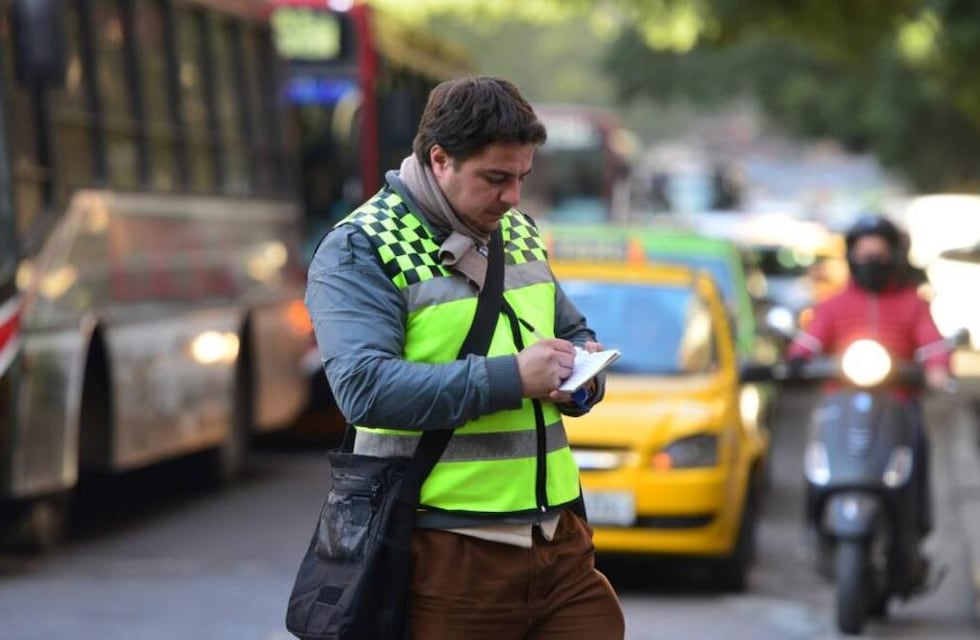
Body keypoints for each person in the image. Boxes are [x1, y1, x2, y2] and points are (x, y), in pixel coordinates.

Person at [305, 76, 625, 639]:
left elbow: (571, 329)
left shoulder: (516, 229)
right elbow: (363, 390)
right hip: (448, 549)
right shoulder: (361, 245)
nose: (513, 198)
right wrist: (512, 378)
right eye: (496, 179)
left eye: (522, 178)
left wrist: (583, 372)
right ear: (440, 159)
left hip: (559, 540)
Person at [786, 213, 952, 586]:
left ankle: (916, 527)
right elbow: (807, 343)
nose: (871, 259)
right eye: (864, 252)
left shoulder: (912, 304)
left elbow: (934, 346)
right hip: (840, 404)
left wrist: (939, 368)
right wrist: (796, 360)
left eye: (879, 252)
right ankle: (813, 523)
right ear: (851, 256)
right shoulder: (833, 305)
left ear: (893, 256)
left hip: (898, 405)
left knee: (918, 450)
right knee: (817, 458)